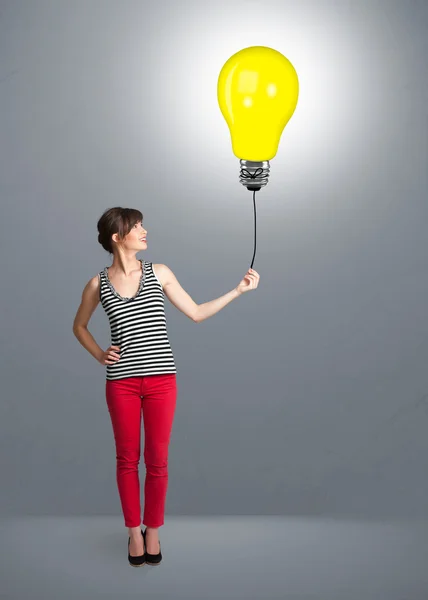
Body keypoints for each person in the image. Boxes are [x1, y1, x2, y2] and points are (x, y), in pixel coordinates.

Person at [72, 206, 260, 566]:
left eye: (142, 224)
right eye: (136, 226)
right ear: (117, 237)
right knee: (127, 460)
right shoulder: (98, 283)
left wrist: (238, 291)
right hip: (121, 384)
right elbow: (79, 326)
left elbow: (197, 312)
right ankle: (133, 535)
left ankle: (153, 531)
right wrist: (99, 354)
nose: (144, 230)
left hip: (161, 382)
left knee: (157, 461)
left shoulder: (159, 273)